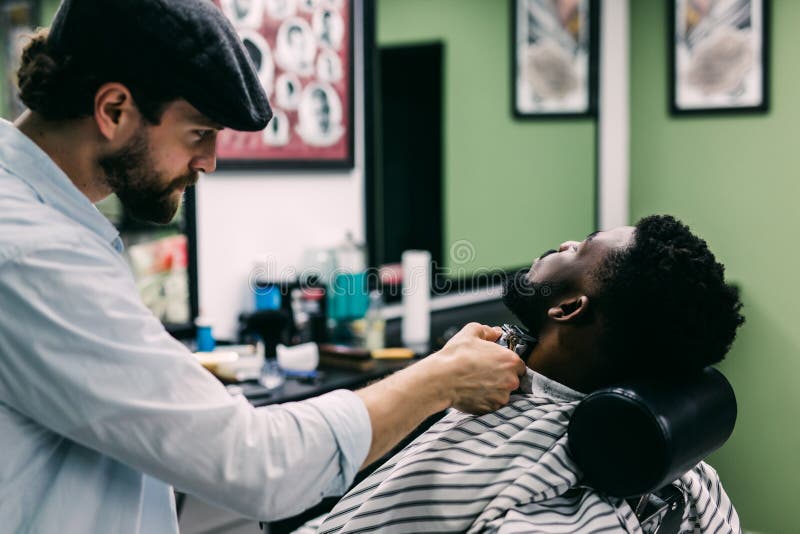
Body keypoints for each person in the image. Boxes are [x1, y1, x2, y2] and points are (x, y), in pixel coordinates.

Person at [0, 0, 525, 532]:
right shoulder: (33, 253)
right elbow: (257, 467)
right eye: (199, 133)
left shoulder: (40, 222)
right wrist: (439, 380)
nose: (209, 162)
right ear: (113, 110)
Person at [319, 215, 745, 533]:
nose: (563, 243)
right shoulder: (693, 476)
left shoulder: (551, 497)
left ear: (568, 309)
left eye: (579, 249)